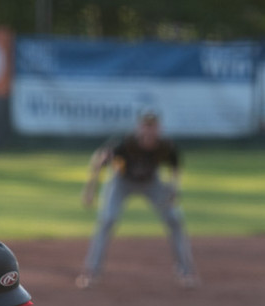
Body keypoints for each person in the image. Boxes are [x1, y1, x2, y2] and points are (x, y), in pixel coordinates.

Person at [77, 108, 198, 289]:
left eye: (153, 126)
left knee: (175, 219)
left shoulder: (165, 145)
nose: (149, 130)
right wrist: (90, 190)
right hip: (121, 181)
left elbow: (175, 166)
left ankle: (186, 271)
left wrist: (174, 188)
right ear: (139, 128)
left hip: (151, 182)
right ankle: (91, 272)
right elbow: (100, 160)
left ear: (159, 128)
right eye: (146, 126)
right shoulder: (126, 144)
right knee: (107, 220)